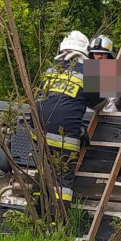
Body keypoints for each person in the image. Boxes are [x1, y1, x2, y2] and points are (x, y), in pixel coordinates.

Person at [34, 31, 100, 204]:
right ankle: (59, 223)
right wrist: (107, 73)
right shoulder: (90, 70)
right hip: (64, 138)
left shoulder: (51, 69)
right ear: (86, 50)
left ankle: (36, 220)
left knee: (42, 175)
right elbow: (100, 105)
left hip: (39, 132)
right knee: (63, 183)